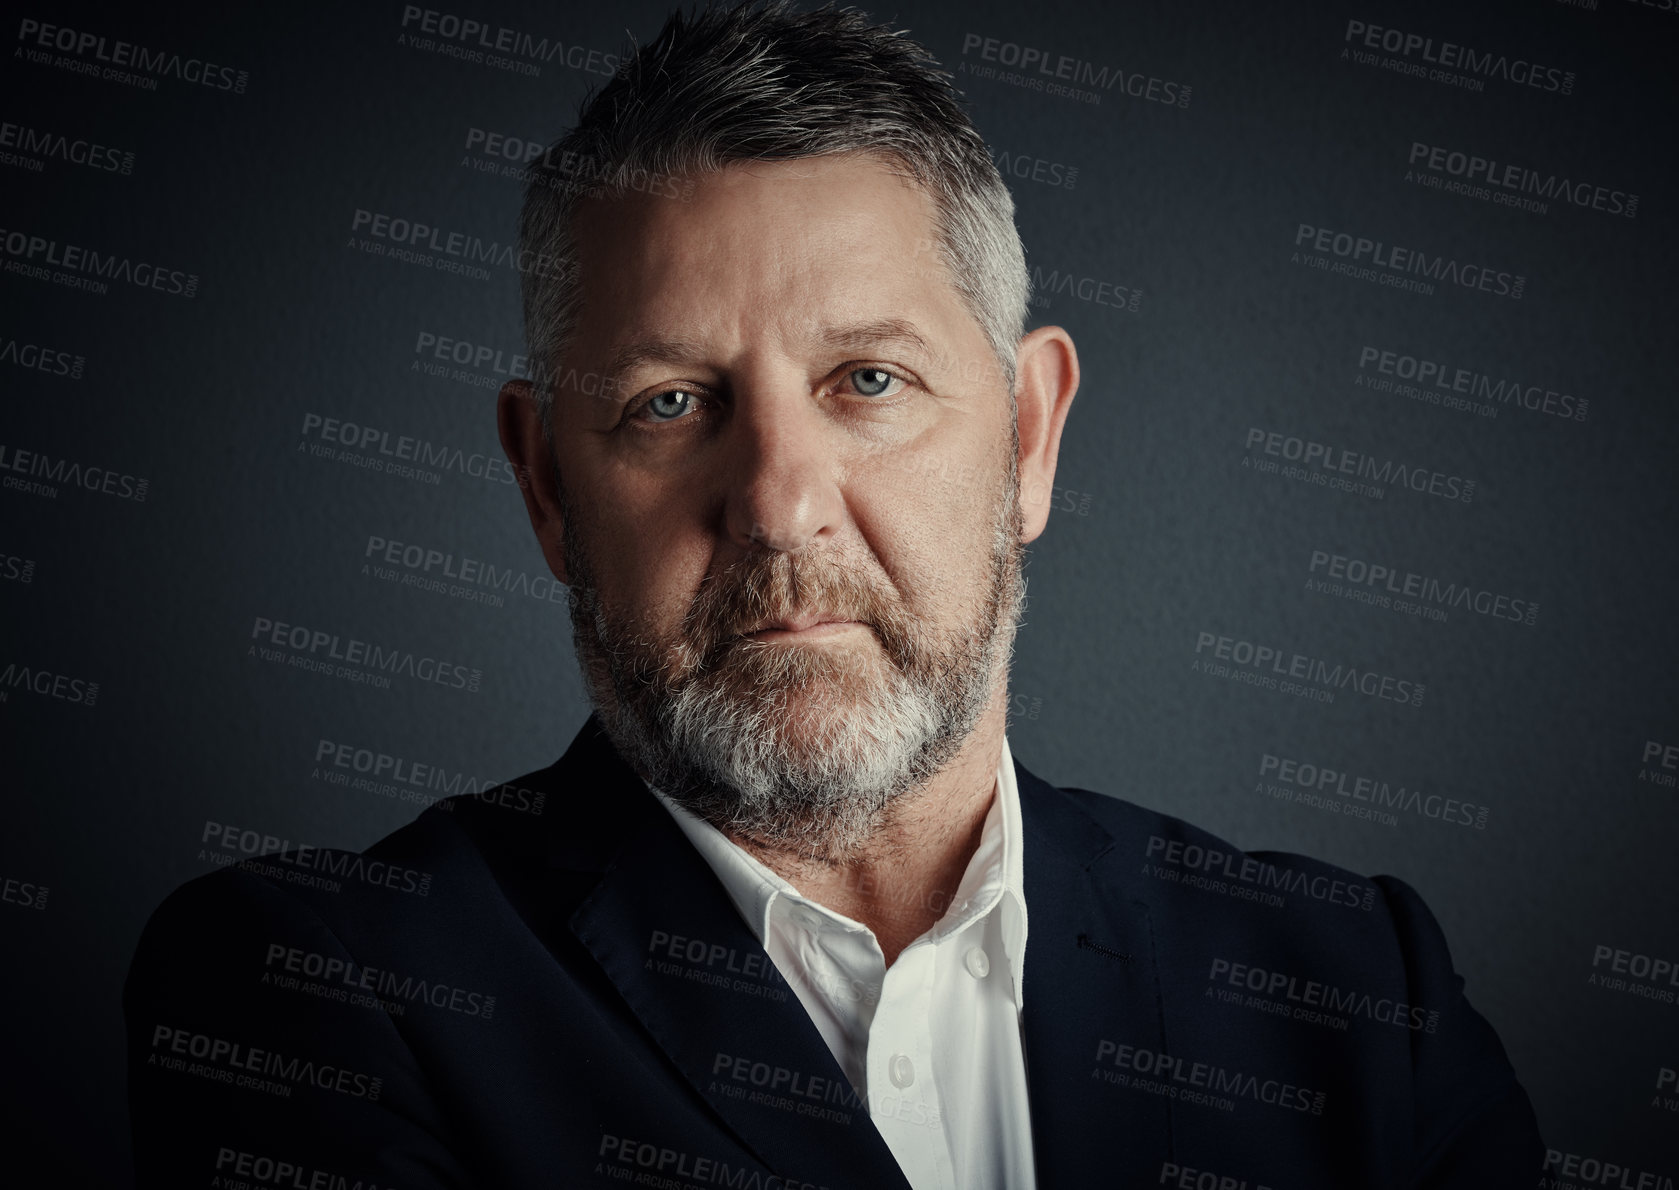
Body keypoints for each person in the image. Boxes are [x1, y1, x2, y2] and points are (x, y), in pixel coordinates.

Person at [124, 3, 1544, 1186]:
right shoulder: (319, 997)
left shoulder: (1358, 1000)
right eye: (671, 402)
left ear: (1031, 436)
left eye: (867, 379)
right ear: (549, 487)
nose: (779, 500)